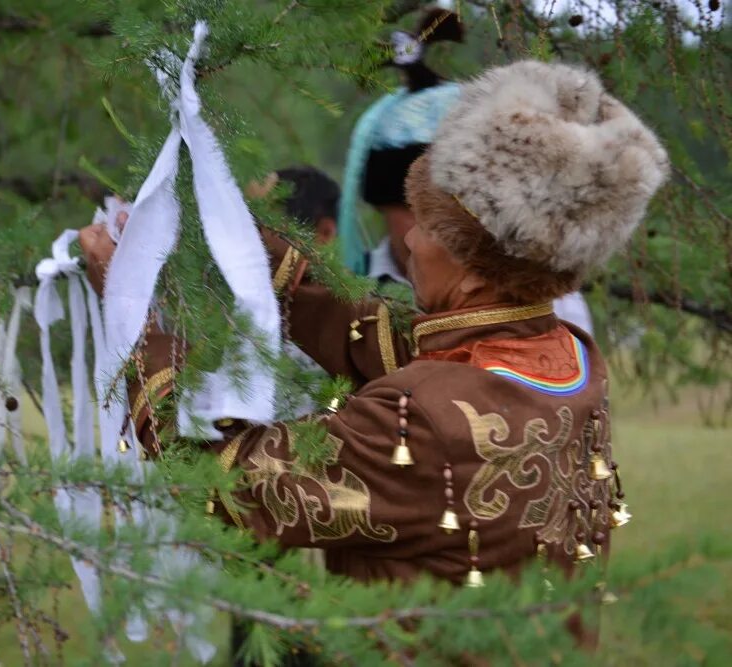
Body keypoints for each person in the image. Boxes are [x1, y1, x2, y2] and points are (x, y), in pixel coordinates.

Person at [80, 60, 666, 647]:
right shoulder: (564, 352)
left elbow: (225, 484)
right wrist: (222, 229)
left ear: (474, 268)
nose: (409, 238)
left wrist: (128, 305)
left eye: (431, 229)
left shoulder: (426, 418)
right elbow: (364, 328)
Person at [339, 7, 595, 334]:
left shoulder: (547, 304)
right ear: (382, 204)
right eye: (412, 206)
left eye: (449, 207)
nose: (429, 230)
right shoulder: (341, 295)